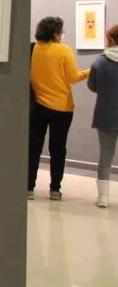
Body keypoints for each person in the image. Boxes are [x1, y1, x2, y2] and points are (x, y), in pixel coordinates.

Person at [29, 17, 89, 201]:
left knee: (33, 147)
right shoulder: (63, 50)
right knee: (58, 149)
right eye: (61, 32)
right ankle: (55, 189)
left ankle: (28, 188)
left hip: (38, 106)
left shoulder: (32, 49)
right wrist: (90, 71)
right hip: (62, 109)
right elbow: (73, 78)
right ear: (55, 34)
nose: (62, 36)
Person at [87, 24, 118, 208]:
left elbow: (93, 86)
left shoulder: (99, 62)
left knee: (106, 156)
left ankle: (103, 197)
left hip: (106, 114)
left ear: (111, 39)